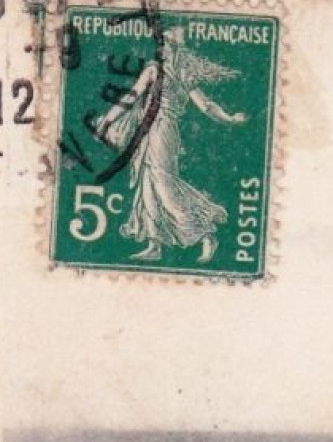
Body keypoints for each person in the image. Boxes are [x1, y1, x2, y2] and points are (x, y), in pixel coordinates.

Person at [93, 26, 248, 264]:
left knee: (164, 185)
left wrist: (229, 119)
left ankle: (205, 234)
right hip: (147, 130)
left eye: (169, 46)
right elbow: (131, 97)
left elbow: (205, 105)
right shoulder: (153, 71)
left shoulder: (184, 76)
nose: (164, 50)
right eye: (164, 45)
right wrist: (108, 119)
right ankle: (155, 244)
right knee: (147, 184)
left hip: (164, 130)